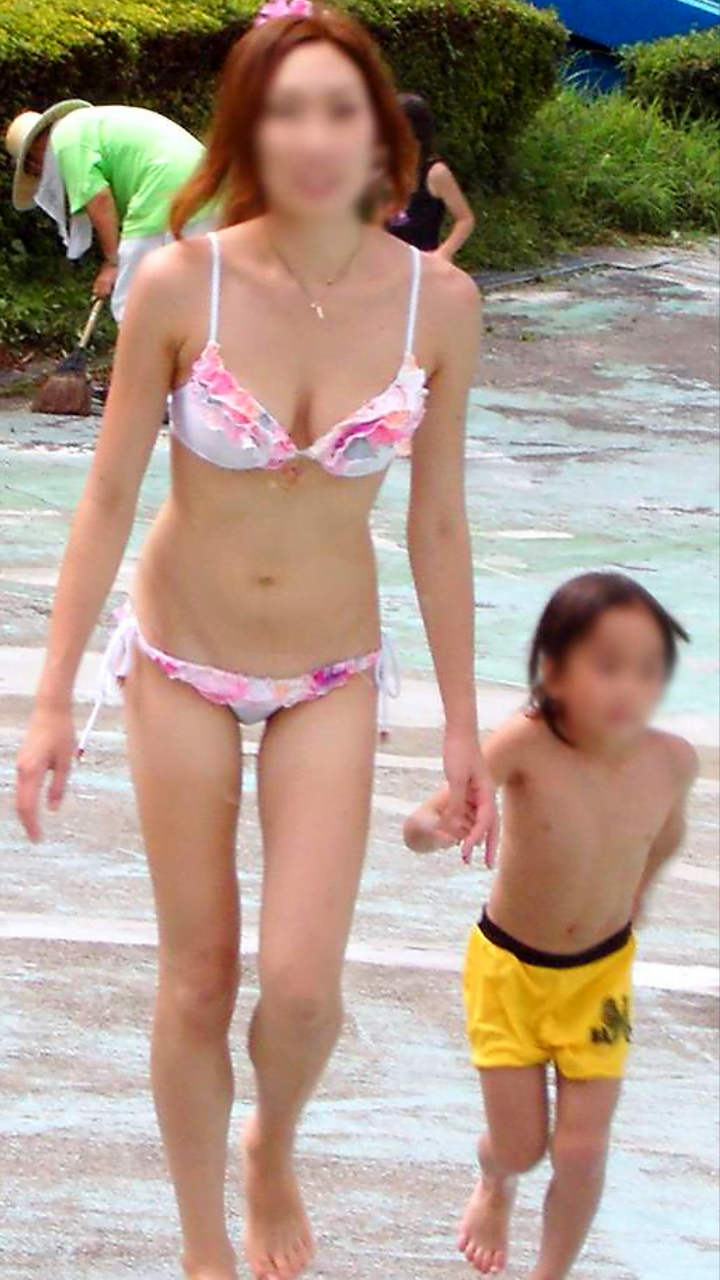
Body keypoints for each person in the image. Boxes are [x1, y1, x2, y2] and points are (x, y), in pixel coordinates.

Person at [14, 4, 497, 1280]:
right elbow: (108, 493)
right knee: (199, 973)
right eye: (286, 111)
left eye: (341, 108)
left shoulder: (441, 305)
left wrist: (464, 724)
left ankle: (270, 1140)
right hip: (179, 656)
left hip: (330, 671)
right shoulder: (183, 282)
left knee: (301, 985)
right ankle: (202, 1250)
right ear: (247, 131)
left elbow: (441, 524)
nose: (315, 137)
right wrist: (54, 695)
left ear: (379, 132)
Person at [403, 572, 698, 1278]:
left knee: (583, 1150)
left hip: (599, 975)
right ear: (553, 672)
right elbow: (426, 818)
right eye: (607, 667)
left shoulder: (671, 762)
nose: (629, 688)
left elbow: (665, 836)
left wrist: (639, 897)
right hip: (510, 971)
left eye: (648, 670)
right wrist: (433, 829)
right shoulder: (527, 742)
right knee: (521, 1146)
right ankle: (495, 1181)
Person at [5, 102, 218, 323]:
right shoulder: (82, 126)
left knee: (130, 303)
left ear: (34, 157)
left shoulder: (65, 142)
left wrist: (113, 263)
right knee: (195, 294)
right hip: (206, 184)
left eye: (33, 171)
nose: (38, 174)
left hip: (162, 187)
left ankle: (140, 345)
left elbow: (99, 198)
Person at [387, 92, 476, 259]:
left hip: (422, 264)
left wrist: (443, 253)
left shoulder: (436, 173)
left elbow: (465, 219)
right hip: (386, 264)